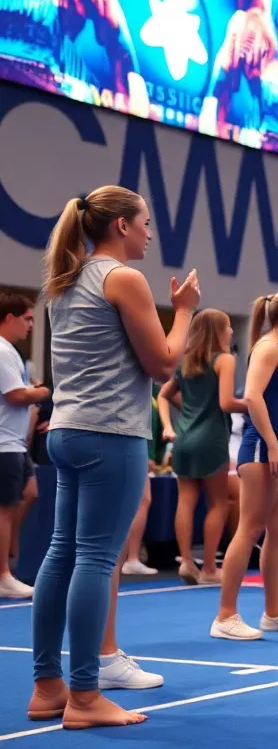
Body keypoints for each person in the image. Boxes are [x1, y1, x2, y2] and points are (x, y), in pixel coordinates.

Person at [28, 186, 199, 729]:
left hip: (68, 430)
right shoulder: (122, 278)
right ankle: (83, 696)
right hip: (110, 435)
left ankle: (47, 687)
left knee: (61, 555)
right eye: (146, 222)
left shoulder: (63, 279)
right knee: (96, 561)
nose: (150, 232)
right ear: (121, 225)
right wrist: (186, 312)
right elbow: (164, 363)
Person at [212, 291, 278, 640]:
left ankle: (273, 611)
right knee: (250, 527)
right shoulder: (267, 348)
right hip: (262, 449)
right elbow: (253, 397)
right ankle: (225, 615)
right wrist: (273, 446)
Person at [157, 309, 243, 585]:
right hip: (211, 439)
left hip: (184, 439)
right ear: (218, 331)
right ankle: (208, 568)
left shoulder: (185, 364)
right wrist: (255, 403)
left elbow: (163, 395)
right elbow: (227, 402)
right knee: (218, 503)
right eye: (228, 327)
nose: (231, 332)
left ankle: (186, 562)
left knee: (186, 500)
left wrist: (170, 427)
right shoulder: (225, 360)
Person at [0, 292, 47, 599]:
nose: (31, 325)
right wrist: (40, 392)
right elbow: (16, 395)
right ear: (9, 319)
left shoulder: (11, 353)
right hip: (4, 443)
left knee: (29, 493)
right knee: (4, 509)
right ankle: (3, 574)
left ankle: (7, 562)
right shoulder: (2, 350)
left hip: (16, 444)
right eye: (28, 319)